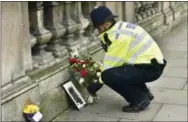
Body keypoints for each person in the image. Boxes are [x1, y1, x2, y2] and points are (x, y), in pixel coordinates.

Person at [89, 6, 167, 113]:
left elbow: (109, 66)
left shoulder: (118, 37)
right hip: (152, 65)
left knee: (108, 76)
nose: (98, 31)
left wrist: (96, 83)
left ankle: (140, 100)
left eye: (98, 28)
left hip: (150, 68)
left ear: (106, 24)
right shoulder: (121, 28)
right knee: (124, 70)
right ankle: (144, 93)